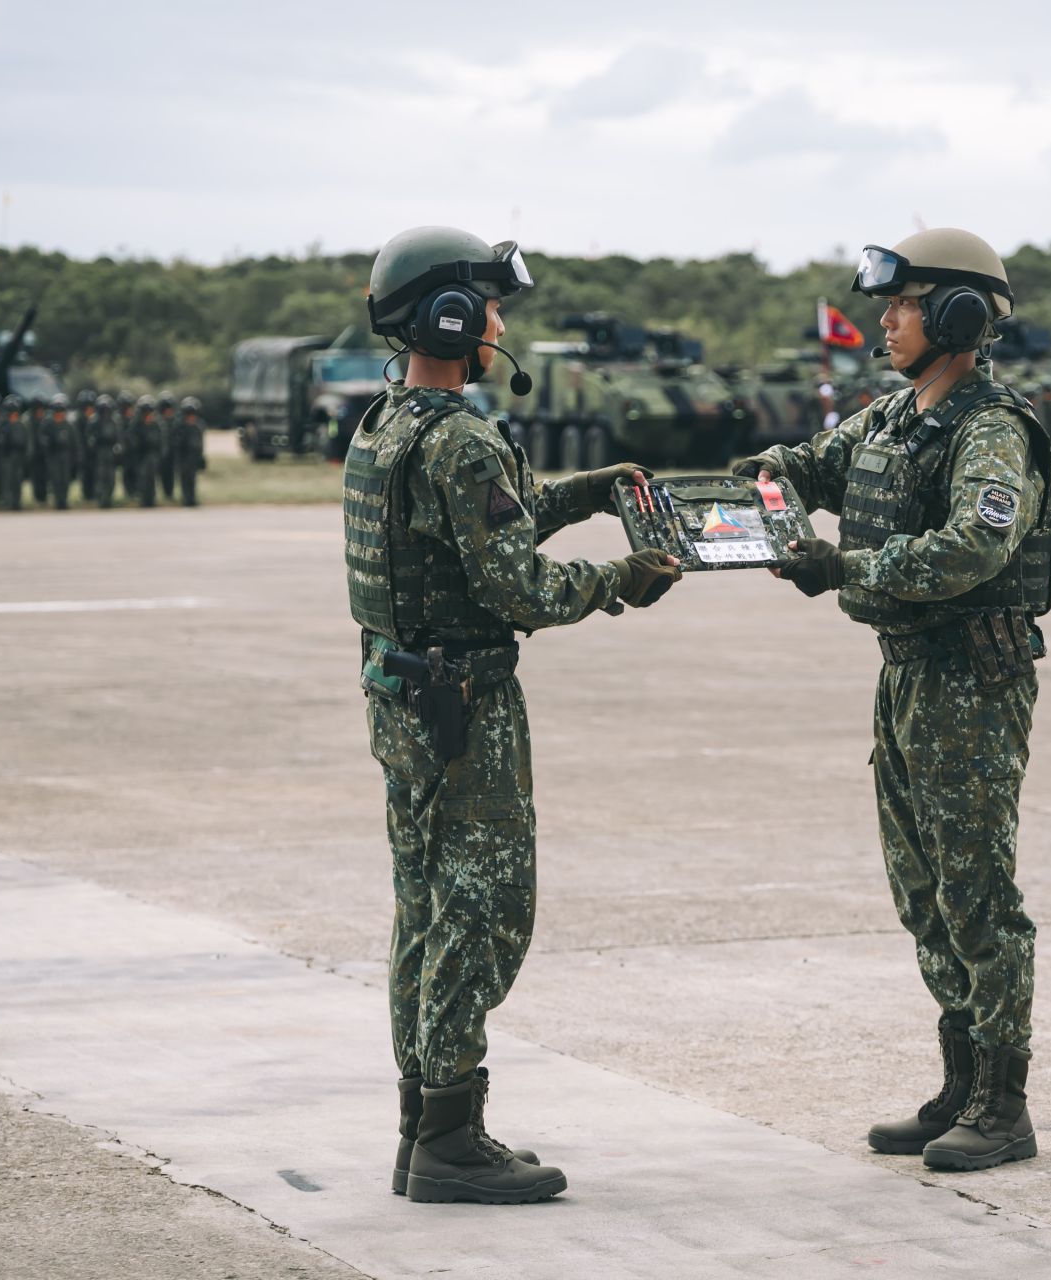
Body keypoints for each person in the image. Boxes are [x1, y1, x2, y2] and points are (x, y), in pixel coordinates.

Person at [351, 225, 681, 1206]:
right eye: (490, 306)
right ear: (452, 316)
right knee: (484, 906)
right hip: (465, 703)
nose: (500, 324)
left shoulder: (386, 423)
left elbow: (475, 536)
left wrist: (583, 494)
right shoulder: (459, 435)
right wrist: (621, 578)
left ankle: (425, 1119)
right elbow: (516, 585)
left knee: (424, 904)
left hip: (402, 692)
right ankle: (451, 1135)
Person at [735, 228, 1051, 1173]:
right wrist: (767, 484)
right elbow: (803, 463)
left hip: (970, 677)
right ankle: (960, 1082)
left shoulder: (991, 429)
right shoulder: (890, 418)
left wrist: (842, 562)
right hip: (907, 670)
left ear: (956, 318)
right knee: (922, 888)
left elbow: (973, 548)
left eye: (905, 305)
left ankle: (1004, 1103)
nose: (886, 320)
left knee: (976, 889)